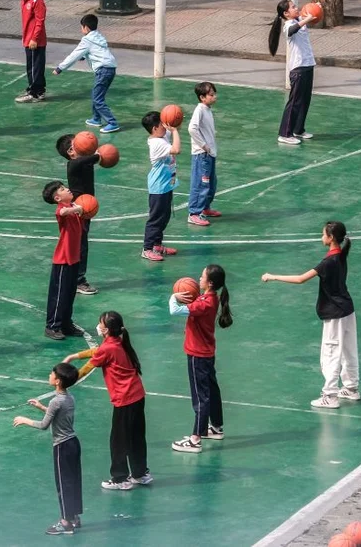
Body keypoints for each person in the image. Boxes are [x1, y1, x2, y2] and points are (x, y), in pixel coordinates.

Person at [261, 221, 359, 409]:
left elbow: (300, 279)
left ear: (330, 238)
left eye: (323, 234)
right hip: (347, 309)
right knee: (349, 350)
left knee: (330, 354)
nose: (321, 237)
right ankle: (351, 388)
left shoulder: (328, 262)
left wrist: (272, 276)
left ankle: (330, 395)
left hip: (335, 313)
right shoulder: (340, 255)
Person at [65, 311, 151, 491]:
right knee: (136, 437)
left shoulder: (108, 348)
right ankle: (140, 473)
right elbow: (97, 351)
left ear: (105, 330)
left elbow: (87, 368)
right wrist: (75, 356)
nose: (98, 325)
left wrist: (65, 381)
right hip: (137, 396)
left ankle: (120, 478)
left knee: (118, 440)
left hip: (124, 400)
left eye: (100, 323)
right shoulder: (116, 342)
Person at [168, 265, 233, 453]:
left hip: (197, 355)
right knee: (212, 391)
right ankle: (216, 427)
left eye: (202, 276)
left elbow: (175, 311)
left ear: (210, 283)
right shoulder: (211, 299)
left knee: (200, 397)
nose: (199, 278)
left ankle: (195, 438)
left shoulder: (204, 303)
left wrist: (174, 297)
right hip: (207, 353)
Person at [12, 362, 82, 535]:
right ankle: (74, 517)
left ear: (58, 381)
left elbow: (44, 425)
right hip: (74, 443)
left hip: (62, 448)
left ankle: (66, 523)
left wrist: (24, 420)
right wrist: (42, 407)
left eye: (52, 374)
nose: (50, 375)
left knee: (63, 484)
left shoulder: (55, 401)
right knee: (73, 482)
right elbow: (58, 415)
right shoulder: (69, 398)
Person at [53, 14, 119, 134]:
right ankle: (96, 119)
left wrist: (60, 68)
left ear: (86, 28)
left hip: (103, 70)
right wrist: (84, 56)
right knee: (97, 94)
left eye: (82, 27)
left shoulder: (87, 40)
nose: (81, 29)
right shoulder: (98, 37)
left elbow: (73, 56)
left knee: (97, 98)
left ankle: (112, 122)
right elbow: (96, 51)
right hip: (110, 68)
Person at [268, 0, 318, 145]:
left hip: (308, 65)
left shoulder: (299, 19)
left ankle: (298, 129)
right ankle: (284, 133)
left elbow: (310, 13)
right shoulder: (288, 25)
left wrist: (316, 7)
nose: (297, 8)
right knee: (295, 102)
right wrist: (306, 19)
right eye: (293, 7)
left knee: (305, 100)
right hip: (298, 69)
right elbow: (292, 30)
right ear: (286, 13)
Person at [55, 135, 98, 295]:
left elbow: (92, 159)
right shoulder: (73, 164)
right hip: (78, 211)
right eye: (77, 143)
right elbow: (90, 159)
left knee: (81, 245)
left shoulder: (85, 160)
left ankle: (75, 278)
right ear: (71, 151)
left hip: (85, 210)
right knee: (80, 246)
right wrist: (99, 155)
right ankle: (78, 281)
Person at [41, 181, 84, 340]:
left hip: (74, 258)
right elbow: (64, 212)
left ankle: (66, 323)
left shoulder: (72, 205)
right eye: (63, 189)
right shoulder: (62, 210)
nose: (68, 189)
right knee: (58, 295)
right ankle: (52, 326)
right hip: (63, 259)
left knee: (69, 293)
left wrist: (80, 208)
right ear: (58, 198)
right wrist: (78, 208)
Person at [141, 111, 181, 262]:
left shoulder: (161, 136)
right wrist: (175, 130)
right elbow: (176, 149)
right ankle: (147, 248)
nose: (165, 127)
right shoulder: (157, 143)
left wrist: (172, 122)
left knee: (164, 217)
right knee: (156, 219)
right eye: (162, 125)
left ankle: (157, 245)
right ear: (154, 129)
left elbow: (171, 130)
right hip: (158, 187)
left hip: (166, 185)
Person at [187, 82, 220, 226]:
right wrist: (204, 145)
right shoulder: (199, 109)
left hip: (210, 154)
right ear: (202, 97)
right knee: (201, 184)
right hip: (202, 155)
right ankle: (194, 213)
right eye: (211, 95)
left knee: (211, 184)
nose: (215, 97)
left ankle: (205, 208)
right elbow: (192, 129)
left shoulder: (208, 109)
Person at [16, 0, 47, 103]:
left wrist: (34, 38)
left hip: (35, 41)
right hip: (28, 39)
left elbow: (40, 21)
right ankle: (39, 91)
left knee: (34, 67)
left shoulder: (37, 1)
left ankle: (33, 92)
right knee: (35, 66)